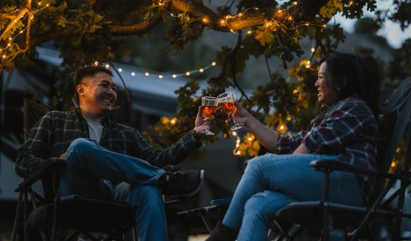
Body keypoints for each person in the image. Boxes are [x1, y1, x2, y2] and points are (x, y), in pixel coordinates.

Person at [15, 65, 210, 241]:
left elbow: (157, 159)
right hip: (75, 195)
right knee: (79, 147)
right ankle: (164, 179)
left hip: (116, 199)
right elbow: (23, 161)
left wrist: (195, 135)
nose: (111, 92)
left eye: (114, 88)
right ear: (81, 90)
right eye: (104, 85)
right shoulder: (54, 121)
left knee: (149, 189)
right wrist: (55, 162)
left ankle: (161, 180)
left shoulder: (126, 133)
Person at [205, 52, 382, 241]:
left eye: (321, 77)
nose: (316, 83)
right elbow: (286, 145)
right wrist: (247, 119)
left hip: (347, 188)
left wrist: (280, 175)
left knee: (258, 166)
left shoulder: (354, 107)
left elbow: (310, 147)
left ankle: (222, 234)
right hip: (325, 184)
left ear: (340, 82)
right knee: (257, 203)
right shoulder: (332, 113)